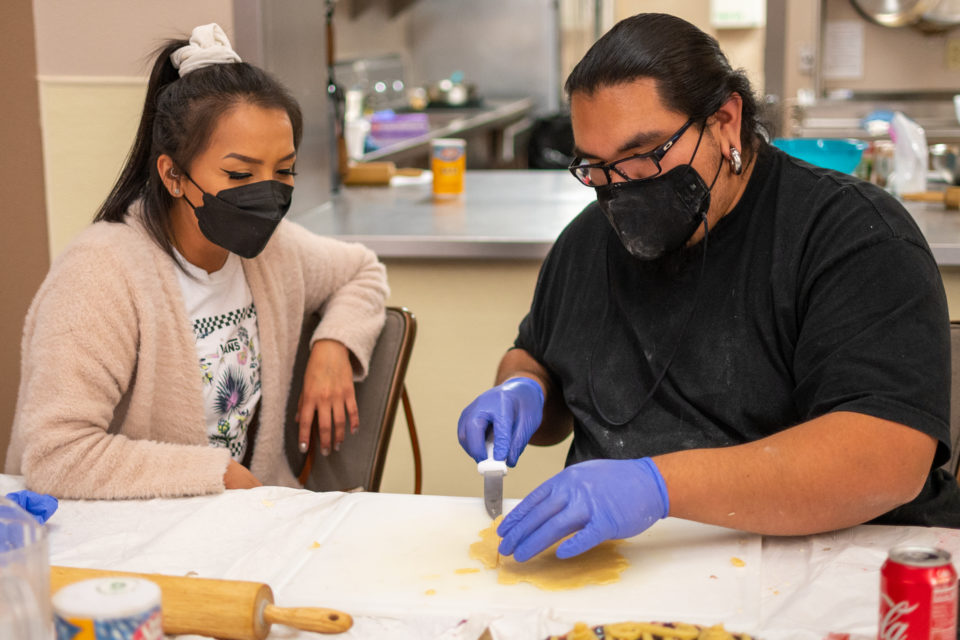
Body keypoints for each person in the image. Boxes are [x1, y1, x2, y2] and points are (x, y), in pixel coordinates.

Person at [458, 13, 960, 563]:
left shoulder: (851, 236)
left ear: (724, 120)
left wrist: (657, 487)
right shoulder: (586, 241)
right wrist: (521, 388)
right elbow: (540, 359)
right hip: (624, 569)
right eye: (597, 169)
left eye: (645, 156)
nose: (620, 189)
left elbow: (884, 461)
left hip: (825, 564)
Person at [5, 24, 389, 499]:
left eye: (285, 170)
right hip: (122, 548)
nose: (268, 192)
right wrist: (216, 474)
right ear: (173, 175)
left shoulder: (277, 253)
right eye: (239, 173)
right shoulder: (100, 274)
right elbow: (56, 455)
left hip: (248, 527)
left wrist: (334, 346)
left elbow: (362, 271)